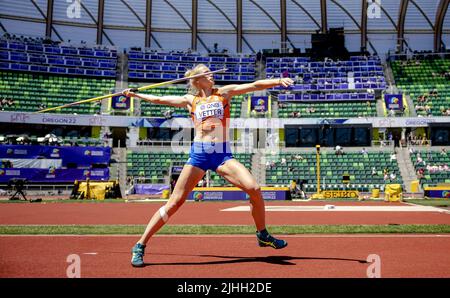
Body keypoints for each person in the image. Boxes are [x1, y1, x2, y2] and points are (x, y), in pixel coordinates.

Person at [123, 64, 293, 267]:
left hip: (221, 155)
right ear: (197, 80)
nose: (212, 74)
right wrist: (137, 96)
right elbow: (160, 99)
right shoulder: (191, 100)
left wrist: (276, 81)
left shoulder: (224, 92)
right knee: (174, 203)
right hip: (199, 156)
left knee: (254, 189)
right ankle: (140, 245)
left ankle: (262, 234)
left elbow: (254, 85)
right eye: (207, 72)